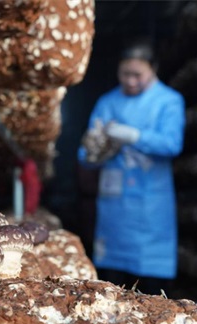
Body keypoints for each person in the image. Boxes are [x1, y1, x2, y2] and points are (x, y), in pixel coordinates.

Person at [77, 38, 185, 295]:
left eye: (137, 75)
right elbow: (85, 155)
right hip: (114, 209)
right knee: (111, 287)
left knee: (152, 292)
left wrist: (135, 136)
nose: (130, 81)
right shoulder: (107, 102)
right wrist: (98, 149)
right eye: (125, 74)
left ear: (153, 69)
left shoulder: (168, 101)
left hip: (151, 207)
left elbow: (172, 144)